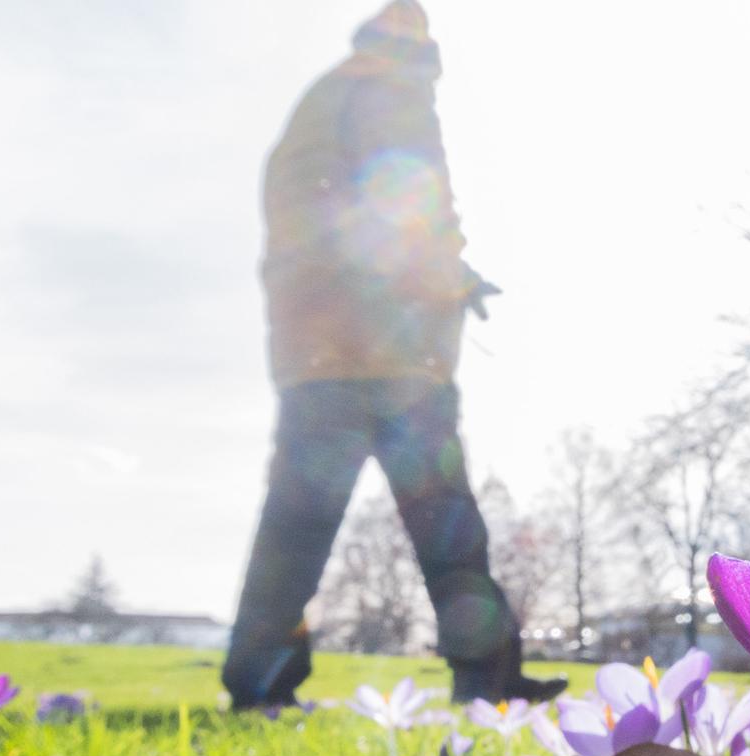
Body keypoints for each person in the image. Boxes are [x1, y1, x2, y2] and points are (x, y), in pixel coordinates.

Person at [223, 0, 563, 710]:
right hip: (391, 357)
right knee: (449, 531)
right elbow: (411, 204)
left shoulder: (327, 96)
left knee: (297, 525)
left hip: (318, 351)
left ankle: (260, 682)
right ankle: (487, 680)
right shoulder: (389, 94)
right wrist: (451, 278)